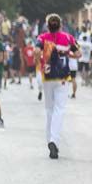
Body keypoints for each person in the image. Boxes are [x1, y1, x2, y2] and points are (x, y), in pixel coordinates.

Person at [35, 13, 78, 160]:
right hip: (63, 77)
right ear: (61, 25)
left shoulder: (42, 38)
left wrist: (40, 61)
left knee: (49, 109)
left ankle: (50, 141)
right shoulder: (68, 37)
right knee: (60, 109)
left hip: (47, 76)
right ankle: (54, 140)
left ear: (47, 26)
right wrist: (66, 54)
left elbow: (36, 51)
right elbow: (77, 53)